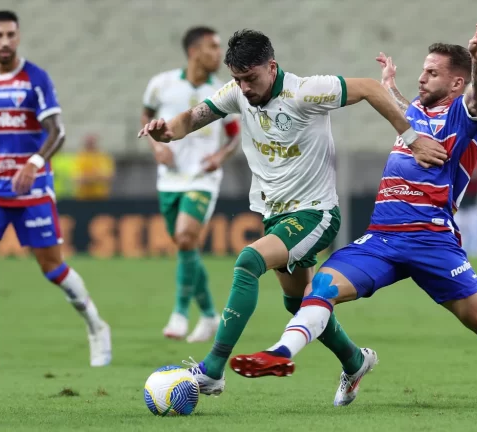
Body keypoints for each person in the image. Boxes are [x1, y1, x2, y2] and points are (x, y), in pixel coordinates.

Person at [229, 24, 477, 408]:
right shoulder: (412, 114)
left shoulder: (464, 115)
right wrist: (389, 85)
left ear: (457, 83)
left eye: (432, 73)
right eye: (422, 71)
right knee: (320, 289)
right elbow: (396, 103)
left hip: (433, 241)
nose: (421, 77)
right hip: (382, 238)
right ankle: (280, 352)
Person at [139, 29, 448, 398]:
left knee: (248, 261)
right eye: (238, 79)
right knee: (297, 303)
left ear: (272, 67)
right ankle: (354, 360)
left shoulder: (306, 91)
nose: (245, 88)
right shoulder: (237, 93)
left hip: (315, 214)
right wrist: (167, 131)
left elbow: (368, 87)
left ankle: (212, 370)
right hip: (276, 215)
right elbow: (193, 117)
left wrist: (411, 139)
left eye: (250, 78)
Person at [0, 10, 112, 372]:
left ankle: (97, 326)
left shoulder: (35, 79)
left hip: (32, 190)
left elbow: (58, 131)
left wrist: (34, 164)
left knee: (52, 267)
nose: (5, 42)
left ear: (18, 37)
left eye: (10, 34)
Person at [141, 26, 241, 342]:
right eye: (213, 47)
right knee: (187, 248)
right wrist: (156, 146)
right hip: (169, 179)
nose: (219, 54)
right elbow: (145, 115)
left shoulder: (223, 91)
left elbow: (236, 135)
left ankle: (180, 313)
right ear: (194, 51)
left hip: (202, 177)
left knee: (185, 237)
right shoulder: (162, 84)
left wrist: (220, 158)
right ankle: (210, 315)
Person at [73, 134, 115, 200]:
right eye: (89, 142)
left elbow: (109, 177)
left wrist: (89, 177)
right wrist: (97, 177)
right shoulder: (80, 157)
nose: (91, 144)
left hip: (101, 196)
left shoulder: (103, 157)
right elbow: (78, 178)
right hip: (84, 197)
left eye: (92, 142)